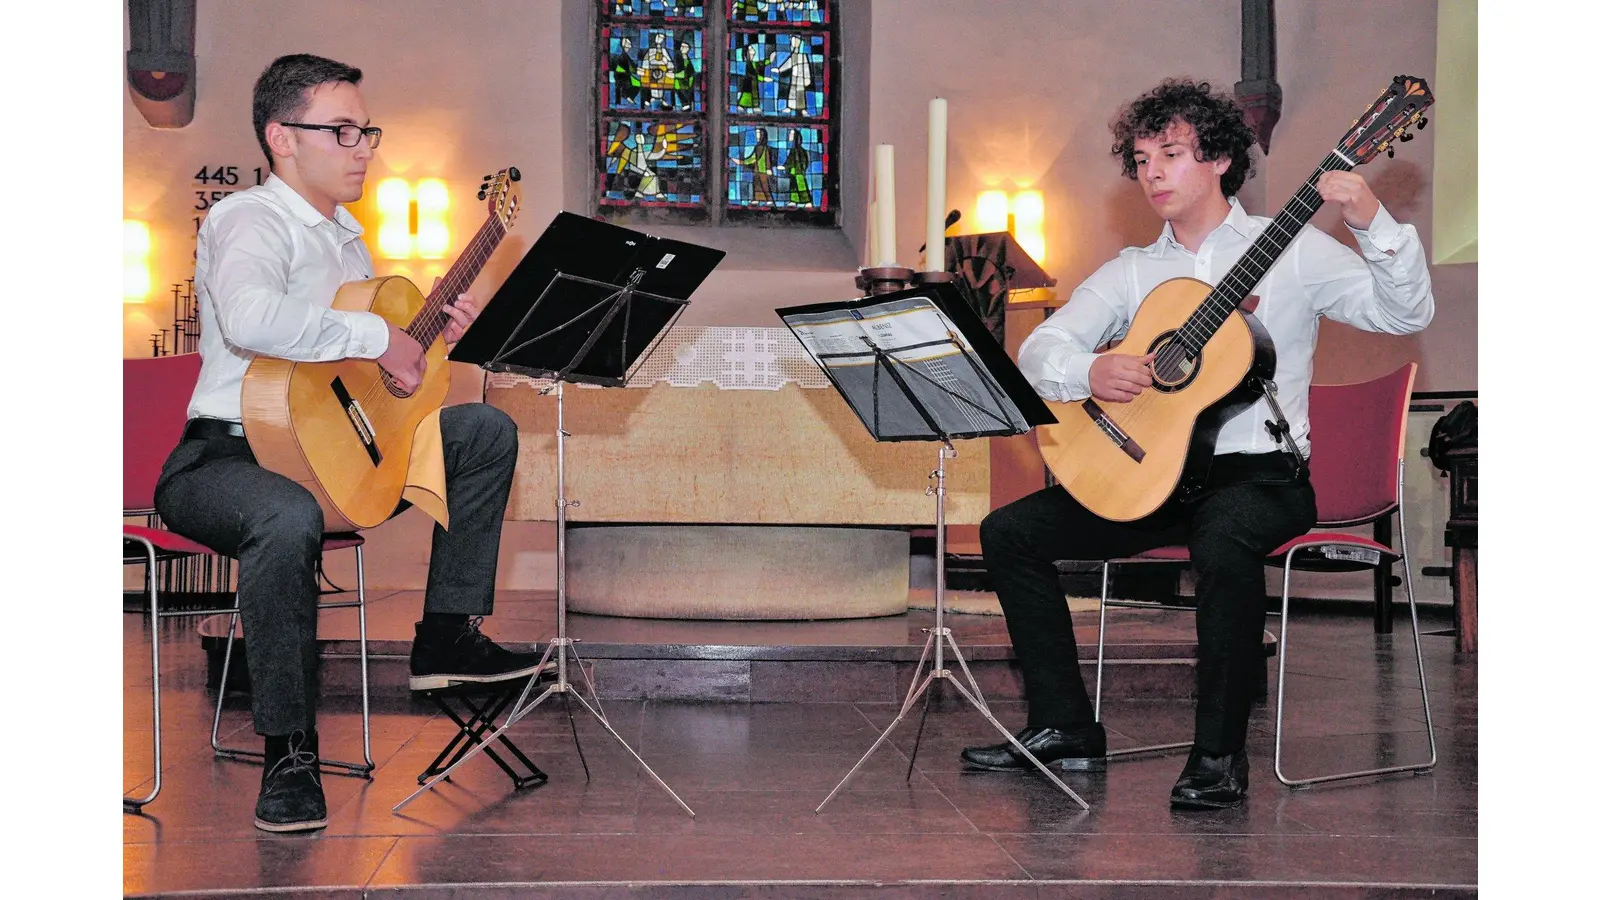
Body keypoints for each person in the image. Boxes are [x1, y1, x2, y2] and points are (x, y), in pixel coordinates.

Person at [958, 78, 1434, 810]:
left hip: (1261, 478)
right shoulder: (1133, 271)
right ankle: (1064, 725)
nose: (1151, 172)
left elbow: (1405, 313)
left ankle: (1217, 753)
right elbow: (1042, 348)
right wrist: (1093, 367)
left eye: (1170, 154)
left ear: (1217, 158)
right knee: (1011, 532)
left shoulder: (1293, 250)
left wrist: (1373, 223)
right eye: (1142, 158)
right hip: (1155, 479)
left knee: (1223, 538)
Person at [154, 54, 543, 834]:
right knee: (285, 516)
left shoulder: (351, 244)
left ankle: (446, 637)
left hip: (330, 459)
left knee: (480, 429)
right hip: (223, 460)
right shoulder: (248, 220)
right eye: (341, 129)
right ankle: (289, 753)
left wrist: (420, 353)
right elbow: (254, 319)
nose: (363, 144)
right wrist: (378, 335)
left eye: (365, 128)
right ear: (281, 138)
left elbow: (365, 387)